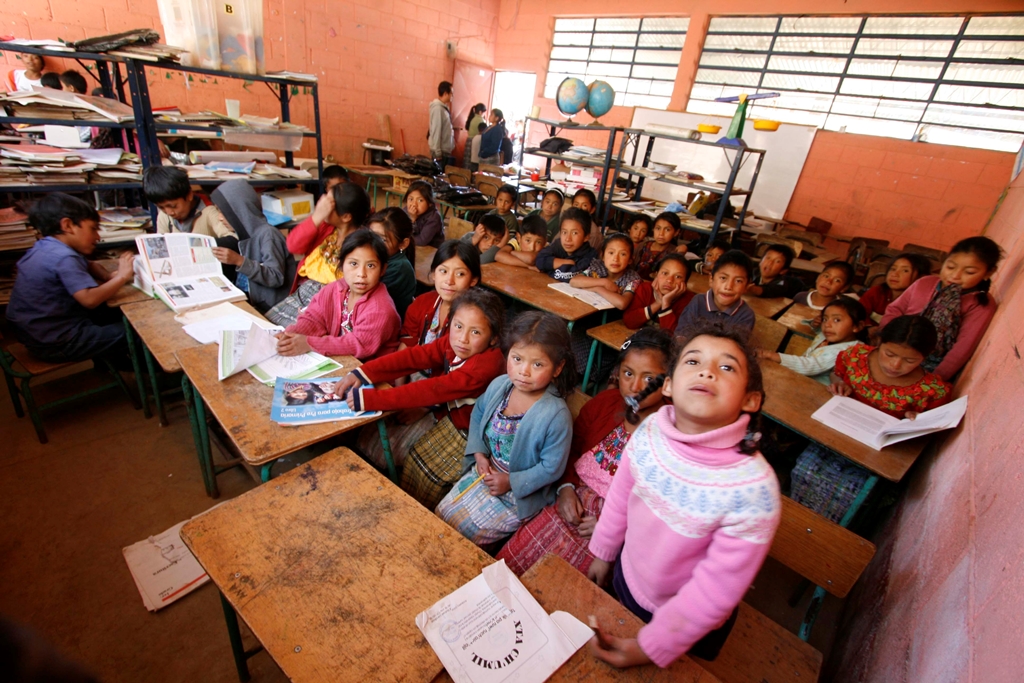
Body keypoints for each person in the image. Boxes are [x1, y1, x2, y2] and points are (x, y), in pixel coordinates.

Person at [586, 320, 781, 669]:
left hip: (686, 620)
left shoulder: (752, 489)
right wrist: (603, 552)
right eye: (693, 361)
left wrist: (650, 647)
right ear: (671, 385)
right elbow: (620, 497)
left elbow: (714, 590)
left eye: (726, 367)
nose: (707, 372)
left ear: (751, 399)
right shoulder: (649, 433)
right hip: (627, 576)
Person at [498, 328, 672, 576]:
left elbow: (660, 509)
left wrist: (616, 530)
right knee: (512, 563)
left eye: (649, 378)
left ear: (668, 382)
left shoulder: (669, 434)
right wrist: (566, 488)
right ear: (617, 372)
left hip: (612, 528)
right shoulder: (605, 403)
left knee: (561, 590)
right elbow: (571, 447)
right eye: (628, 373)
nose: (635, 386)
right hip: (570, 502)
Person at [340, 289, 506, 507]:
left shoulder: (485, 366)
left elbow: (432, 390)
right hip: (445, 409)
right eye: (458, 326)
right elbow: (416, 356)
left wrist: (373, 399)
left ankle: (414, 509)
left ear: (493, 338)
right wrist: (365, 372)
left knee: (424, 472)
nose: (463, 338)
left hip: (469, 429)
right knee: (374, 441)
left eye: (475, 332)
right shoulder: (453, 342)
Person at [790, 316, 952, 522]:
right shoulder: (855, 357)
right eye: (889, 354)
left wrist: (917, 419)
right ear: (879, 342)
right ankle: (795, 520)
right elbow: (837, 374)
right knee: (803, 470)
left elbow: (929, 425)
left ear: (926, 357)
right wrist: (839, 383)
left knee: (850, 495)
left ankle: (823, 532)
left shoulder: (930, 391)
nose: (895, 364)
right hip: (833, 437)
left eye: (910, 360)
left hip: (876, 456)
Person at [436, 311, 576, 547]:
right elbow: (479, 413)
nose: (524, 371)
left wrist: (510, 481)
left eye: (538, 364)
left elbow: (551, 467)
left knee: (461, 534)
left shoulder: (555, 415)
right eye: (517, 359)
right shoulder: (501, 385)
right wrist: (480, 455)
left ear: (558, 368)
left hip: (518, 493)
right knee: (442, 513)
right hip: (486, 472)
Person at [7, 193, 134, 364]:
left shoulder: (47, 246)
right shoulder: (64, 258)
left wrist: (107, 276)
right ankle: (134, 371)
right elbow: (89, 300)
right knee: (139, 333)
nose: (98, 236)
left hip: (35, 334)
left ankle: (109, 363)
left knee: (113, 314)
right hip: (57, 342)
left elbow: (89, 265)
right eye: (93, 228)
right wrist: (121, 277)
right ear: (68, 225)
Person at [878, 237, 1002, 381]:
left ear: (988, 273)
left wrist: (936, 378)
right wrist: (884, 344)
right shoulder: (924, 283)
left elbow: (962, 349)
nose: (955, 276)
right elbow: (895, 310)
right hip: (892, 350)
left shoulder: (979, 305)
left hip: (928, 368)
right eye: (950, 267)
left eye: (969, 272)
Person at [277, 229, 400, 361]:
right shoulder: (334, 290)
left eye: (370, 266)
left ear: (382, 270)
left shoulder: (381, 310)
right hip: (341, 362)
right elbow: (314, 318)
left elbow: (357, 344)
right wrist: (291, 335)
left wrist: (309, 343)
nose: (361, 274)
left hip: (370, 372)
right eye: (353, 264)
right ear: (341, 265)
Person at [266, 182, 371, 326]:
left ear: (346, 217)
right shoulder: (327, 228)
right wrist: (316, 217)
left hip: (327, 304)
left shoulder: (361, 245)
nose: (322, 204)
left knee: (286, 338)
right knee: (266, 325)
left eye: (329, 204)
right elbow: (293, 245)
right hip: (301, 294)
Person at [210, 180, 296, 313]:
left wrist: (239, 261)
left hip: (270, 309)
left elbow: (276, 277)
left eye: (223, 212)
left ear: (239, 211)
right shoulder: (245, 236)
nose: (220, 218)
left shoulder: (268, 235)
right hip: (251, 303)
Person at [757, 297, 867, 385]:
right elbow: (819, 332)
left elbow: (810, 366)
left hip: (814, 391)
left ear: (857, 326)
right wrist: (815, 324)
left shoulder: (847, 351)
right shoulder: (831, 335)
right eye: (825, 319)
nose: (827, 325)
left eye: (837, 320)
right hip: (799, 379)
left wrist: (772, 356)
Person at [400, 240, 481, 352]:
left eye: (460, 274)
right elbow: (407, 342)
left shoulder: (476, 320)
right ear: (433, 274)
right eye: (443, 271)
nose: (449, 281)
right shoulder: (420, 303)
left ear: (473, 280)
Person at [674, 250, 755, 336]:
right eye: (723, 278)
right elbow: (681, 335)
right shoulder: (697, 302)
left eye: (738, 281)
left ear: (747, 286)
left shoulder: (745, 315)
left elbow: (733, 347)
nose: (728, 287)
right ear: (711, 279)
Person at [143, 167, 234, 240]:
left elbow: (232, 238)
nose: (169, 212)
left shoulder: (210, 211)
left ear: (189, 195)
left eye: (173, 206)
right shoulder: (164, 215)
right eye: (161, 207)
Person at [366, 207, 416, 320]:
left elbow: (366, 295)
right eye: (371, 235)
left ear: (403, 244)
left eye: (383, 240)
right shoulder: (378, 258)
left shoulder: (399, 268)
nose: (373, 243)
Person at [569, 232, 641, 310]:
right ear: (603, 256)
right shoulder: (598, 267)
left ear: (630, 259)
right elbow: (574, 281)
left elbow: (622, 303)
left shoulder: (632, 278)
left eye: (622, 254)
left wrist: (598, 289)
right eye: (611, 253)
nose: (615, 259)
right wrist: (604, 282)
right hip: (583, 309)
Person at [623, 254, 694, 333]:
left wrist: (666, 303)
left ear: (685, 283)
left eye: (678, 277)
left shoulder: (689, 301)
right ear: (656, 274)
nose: (669, 280)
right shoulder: (645, 289)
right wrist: (658, 303)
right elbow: (629, 322)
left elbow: (673, 336)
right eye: (665, 273)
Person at [858, 252, 933, 322]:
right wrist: (868, 328)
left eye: (905, 271)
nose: (895, 274)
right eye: (893, 269)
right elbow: (858, 314)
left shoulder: (919, 302)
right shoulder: (877, 291)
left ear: (921, 278)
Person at [535, 208, 598, 281]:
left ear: (586, 237)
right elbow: (539, 260)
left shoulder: (591, 256)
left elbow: (568, 276)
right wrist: (567, 262)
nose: (568, 239)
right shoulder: (557, 245)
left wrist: (549, 269)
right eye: (564, 232)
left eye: (574, 233)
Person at [633, 212, 686, 280]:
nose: (661, 233)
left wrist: (681, 253)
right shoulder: (642, 246)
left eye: (667, 229)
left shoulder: (674, 252)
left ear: (676, 232)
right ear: (653, 229)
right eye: (658, 228)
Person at [404, 180, 444, 248]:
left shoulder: (434, 218)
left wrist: (412, 219)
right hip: (415, 246)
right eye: (411, 199)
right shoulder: (406, 210)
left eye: (420, 200)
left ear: (430, 203)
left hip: (431, 251)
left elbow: (422, 240)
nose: (414, 204)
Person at [428, 81, 455, 165]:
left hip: (444, 150)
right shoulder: (438, 109)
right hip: (440, 153)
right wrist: (437, 152)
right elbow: (436, 130)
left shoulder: (444, 108)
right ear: (446, 94)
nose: (452, 96)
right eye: (451, 93)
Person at [463, 103, 487, 168]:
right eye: (484, 112)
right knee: (473, 165)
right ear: (480, 112)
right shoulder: (481, 120)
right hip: (475, 142)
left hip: (469, 141)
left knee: (467, 164)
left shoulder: (472, 119)